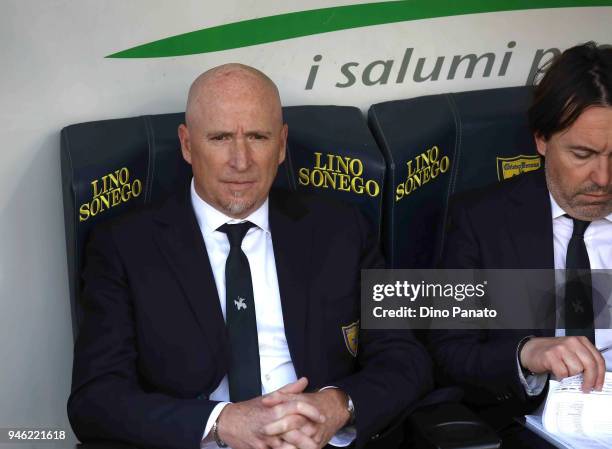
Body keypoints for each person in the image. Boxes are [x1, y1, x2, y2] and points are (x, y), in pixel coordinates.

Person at [67, 64, 432, 449]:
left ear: (282, 144)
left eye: (258, 137)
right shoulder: (123, 245)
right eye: (220, 137)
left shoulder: (344, 228)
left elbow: (406, 356)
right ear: (187, 144)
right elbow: (95, 400)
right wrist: (221, 422)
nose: (240, 161)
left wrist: (339, 405)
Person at [430, 42, 612, 439]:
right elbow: (448, 351)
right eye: (583, 154)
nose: (603, 178)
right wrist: (527, 354)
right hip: (531, 426)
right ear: (542, 140)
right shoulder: (481, 220)